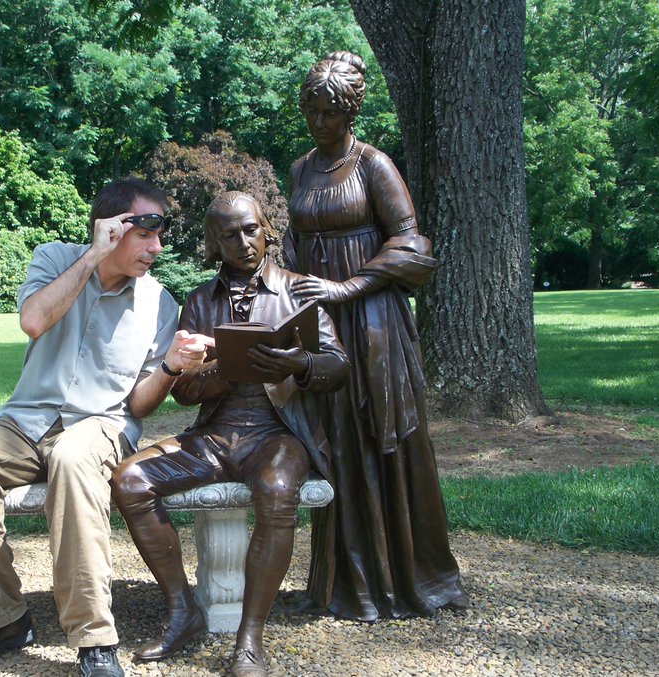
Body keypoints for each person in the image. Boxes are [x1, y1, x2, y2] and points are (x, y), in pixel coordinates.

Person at [0, 178, 211, 677]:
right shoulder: (55, 258)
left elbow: (140, 406)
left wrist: (170, 366)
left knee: (72, 458)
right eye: (146, 231)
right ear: (109, 227)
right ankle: (0, 621)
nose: (157, 246)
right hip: (27, 418)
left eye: (161, 233)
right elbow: (34, 320)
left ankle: (94, 640)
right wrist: (90, 259)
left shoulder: (159, 304)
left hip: (101, 424)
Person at [110, 191, 349, 677]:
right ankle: (183, 610)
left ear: (267, 230)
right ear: (213, 245)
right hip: (215, 436)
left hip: (277, 434)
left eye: (249, 229)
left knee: (277, 489)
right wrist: (225, 369)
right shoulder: (199, 301)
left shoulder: (298, 290)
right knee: (129, 480)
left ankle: (249, 639)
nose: (243, 242)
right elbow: (186, 393)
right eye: (228, 235)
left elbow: (338, 365)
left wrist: (299, 363)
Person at [286, 52, 470, 621]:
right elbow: (292, 241)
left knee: (383, 438)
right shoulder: (299, 169)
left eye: (329, 113)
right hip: (319, 323)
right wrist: (288, 281)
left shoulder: (373, 165)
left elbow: (412, 245)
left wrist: (346, 287)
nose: (319, 123)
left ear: (350, 112)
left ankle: (414, 579)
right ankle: (344, 583)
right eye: (311, 111)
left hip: (373, 324)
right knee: (335, 440)